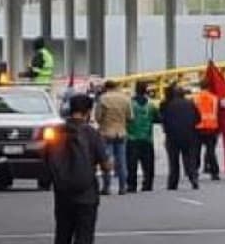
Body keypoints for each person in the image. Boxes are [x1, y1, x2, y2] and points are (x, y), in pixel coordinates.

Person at [43, 94, 112, 244]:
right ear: (88, 112)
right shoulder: (92, 133)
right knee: (84, 237)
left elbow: (47, 160)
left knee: (62, 235)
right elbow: (106, 165)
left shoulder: (55, 132)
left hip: (62, 194)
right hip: (86, 195)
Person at [94, 80, 132, 195]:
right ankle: (123, 187)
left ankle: (107, 187)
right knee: (122, 161)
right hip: (121, 132)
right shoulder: (125, 99)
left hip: (106, 133)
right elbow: (130, 117)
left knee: (106, 160)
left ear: (106, 88)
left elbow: (98, 117)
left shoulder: (103, 99)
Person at [160, 84, 201, 190]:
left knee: (173, 161)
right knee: (190, 159)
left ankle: (173, 183)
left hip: (173, 136)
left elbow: (163, 120)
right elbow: (198, 119)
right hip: (189, 135)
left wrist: (167, 130)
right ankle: (193, 178)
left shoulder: (167, 105)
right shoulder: (190, 104)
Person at [125, 82, 159, 192]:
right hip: (147, 138)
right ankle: (148, 184)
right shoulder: (150, 105)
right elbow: (157, 118)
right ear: (146, 91)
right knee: (148, 164)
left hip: (132, 138)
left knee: (131, 164)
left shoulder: (130, 104)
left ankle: (132, 185)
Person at [192, 79, 222, 181]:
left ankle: (194, 171)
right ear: (209, 87)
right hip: (212, 128)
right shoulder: (214, 99)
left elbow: (192, 115)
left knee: (196, 151)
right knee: (211, 152)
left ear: (200, 87)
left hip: (198, 128)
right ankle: (214, 173)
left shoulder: (195, 99)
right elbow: (219, 114)